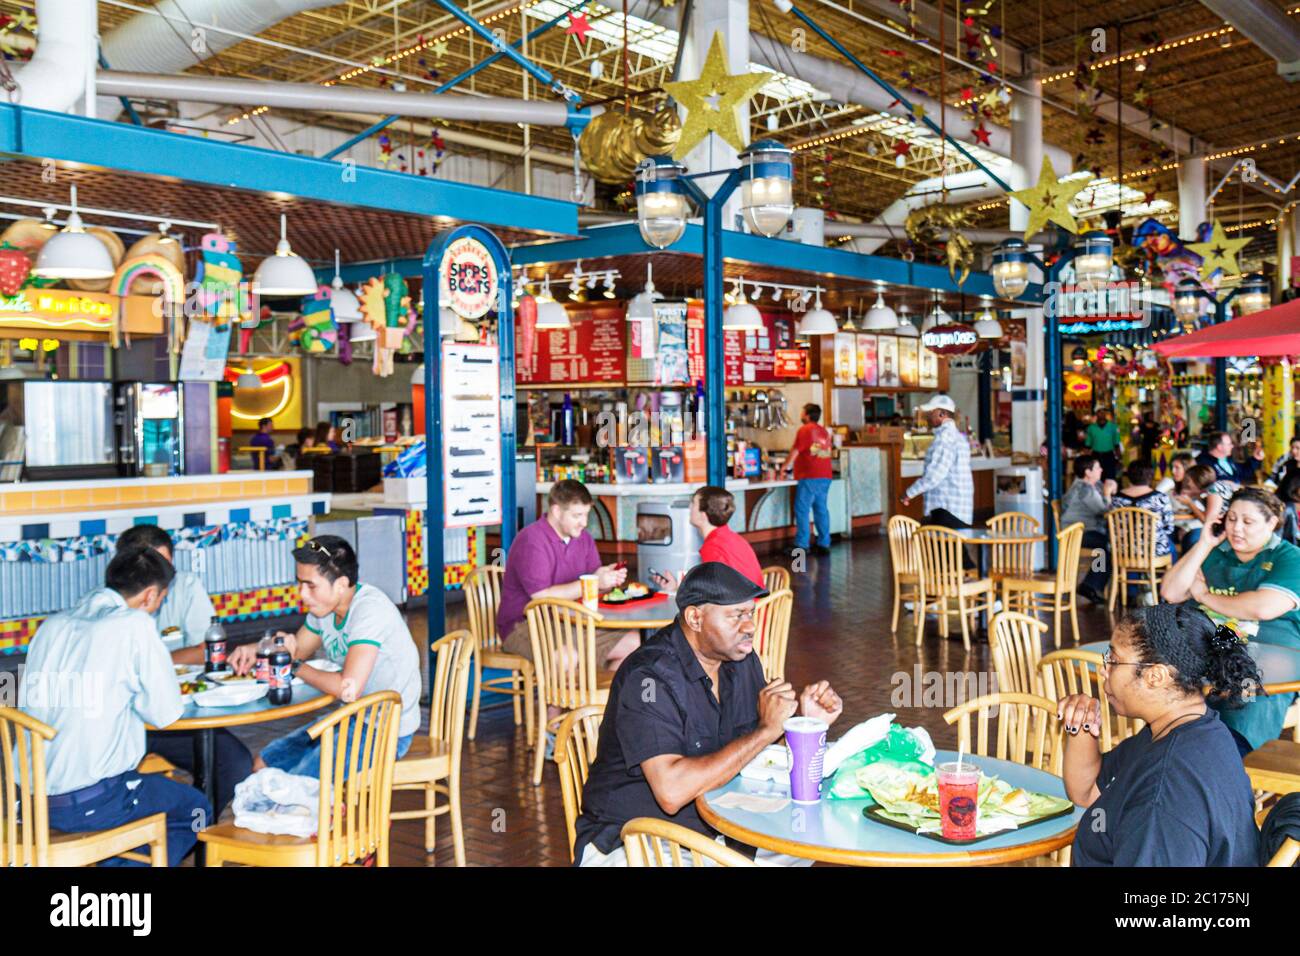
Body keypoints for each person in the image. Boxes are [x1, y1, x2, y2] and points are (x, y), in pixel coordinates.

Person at [572, 562, 843, 866]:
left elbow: (757, 753)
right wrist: (766, 731)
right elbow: (671, 792)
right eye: (735, 616)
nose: (750, 626)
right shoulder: (649, 678)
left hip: (711, 829)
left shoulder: (741, 661)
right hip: (635, 841)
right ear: (695, 618)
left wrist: (806, 723)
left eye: (750, 613)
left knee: (802, 844)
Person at [19, 548, 210, 866]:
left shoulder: (52, 626)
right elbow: (165, 713)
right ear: (150, 595)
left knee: (135, 793)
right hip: (91, 806)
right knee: (196, 810)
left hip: (30, 801)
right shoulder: (133, 624)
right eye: (161, 599)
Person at [1059, 603, 1261, 866]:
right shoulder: (1193, 729)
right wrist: (1082, 726)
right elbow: (1086, 792)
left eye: (1114, 660)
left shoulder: (1164, 790)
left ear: (1155, 676)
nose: (1103, 669)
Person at [229, 535, 421, 776]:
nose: (302, 594)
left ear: (341, 584)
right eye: (299, 584)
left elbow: (347, 688)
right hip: (352, 718)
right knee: (263, 765)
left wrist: (294, 665)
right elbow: (297, 648)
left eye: (310, 586)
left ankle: (335, 811)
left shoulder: (370, 611)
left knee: (296, 784)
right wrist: (258, 649)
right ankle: (330, 809)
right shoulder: (324, 610)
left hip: (385, 732)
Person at [114, 524, 252, 815]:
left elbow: (207, 648)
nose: (159, 578)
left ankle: (194, 829)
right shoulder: (106, 605)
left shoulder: (186, 587)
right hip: (122, 720)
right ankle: (144, 840)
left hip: (173, 715)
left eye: (165, 567)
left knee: (234, 763)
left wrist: (154, 662)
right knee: (109, 787)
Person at [1161, 487, 1300, 755]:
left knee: (1244, 700)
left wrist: (1204, 595)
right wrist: (1204, 544)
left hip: (1272, 654)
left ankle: (1232, 772)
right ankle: (1178, 763)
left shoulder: (1289, 557)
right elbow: (1171, 592)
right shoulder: (1215, 552)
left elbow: (1264, 607)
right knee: (1174, 689)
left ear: (1271, 523)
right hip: (1214, 647)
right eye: (1232, 518)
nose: (1237, 528)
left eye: (1248, 522)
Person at [497, 479, 639, 679]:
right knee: (567, 656)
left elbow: (594, 583)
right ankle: (556, 711)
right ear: (556, 512)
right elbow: (541, 596)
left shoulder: (584, 538)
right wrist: (594, 582)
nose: (584, 522)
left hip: (571, 622)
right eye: (577, 515)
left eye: (586, 515)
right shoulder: (531, 540)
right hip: (524, 625)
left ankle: (601, 707)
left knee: (635, 644)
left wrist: (607, 577)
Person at [649, 485, 763, 591]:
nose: (690, 507)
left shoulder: (712, 547)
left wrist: (678, 591)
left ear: (703, 516)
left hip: (744, 611)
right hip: (759, 608)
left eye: (693, 503)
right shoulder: (734, 538)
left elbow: (715, 595)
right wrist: (676, 588)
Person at [900, 393, 973, 531]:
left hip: (946, 509)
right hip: (959, 509)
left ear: (942, 414)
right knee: (954, 551)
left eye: (931, 413)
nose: (928, 417)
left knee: (939, 551)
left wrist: (909, 493)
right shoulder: (959, 438)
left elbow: (934, 476)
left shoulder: (944, 439)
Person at [782, 403, 834, 556]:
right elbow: (823, 453)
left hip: (810, 475)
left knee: (802, 510)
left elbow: (796, 451)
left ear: (807, 415)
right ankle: (824, 544)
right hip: (825, 475)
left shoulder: (805, 430)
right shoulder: (823, 431)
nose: (801, 414)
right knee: (821, 510)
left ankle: (801, 546)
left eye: (802, 412)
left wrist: (784, 467)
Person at [1063, 455, 1115, 604]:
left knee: (1108, 543)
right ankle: (1090, 585)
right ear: (1088, 472)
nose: (1101, 470)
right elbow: (1106, 511)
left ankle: (1092, 584)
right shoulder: (1084, 490)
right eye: (1097, 467)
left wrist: (1109, 489)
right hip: (1076, 533)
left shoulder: (1090, 485)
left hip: (1083, 530)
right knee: (1108, 546)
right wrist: (1107, 494)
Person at [1111, 462, 1175, 560]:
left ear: (1128, 476)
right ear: (1151, 477)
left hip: (1122, 551)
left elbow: (1111, 527)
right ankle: (1171, 575)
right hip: (1154, 551)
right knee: (1171, 545)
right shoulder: (1160, 498)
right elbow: (1169, 528)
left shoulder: (1116, 499)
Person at [1084, 408, 1123, 481]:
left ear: (1105, 414)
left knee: (1110, 477)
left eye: (1103, 412)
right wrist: (1085, 459)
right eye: (1099, 412)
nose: (1101, 414)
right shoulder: (1091, 428)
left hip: (1109, 455)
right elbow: (1087, 445)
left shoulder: (1113, 427)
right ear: (1096, 414)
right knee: (1095, 478)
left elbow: (1117, 444)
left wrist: (1119, 459)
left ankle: (1110, 492)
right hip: (1095, 456)